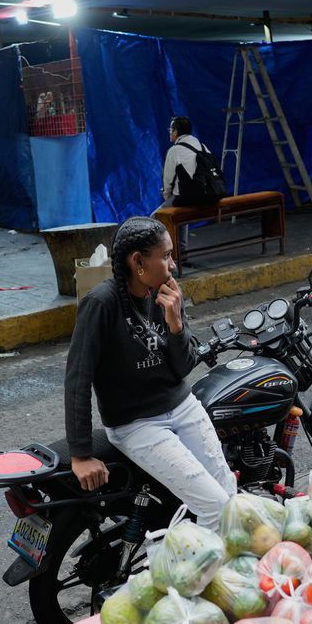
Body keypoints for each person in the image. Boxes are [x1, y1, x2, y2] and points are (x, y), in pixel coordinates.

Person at [64, 216, 237, 530]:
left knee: (230, 498)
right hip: (137, 424)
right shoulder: (101, 304)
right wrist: (81, 455)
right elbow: (77, 378)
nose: (173, 264)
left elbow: (183, 367)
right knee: (216, 506)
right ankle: (201, 579)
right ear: (138, 262)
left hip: (182, 407)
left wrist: (176, 325)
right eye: (166, 255)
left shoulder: (166, 293)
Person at [153, 116, 202, 262]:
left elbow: (168, 181)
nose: (170, 132)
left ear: (176, 132)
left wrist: (167, 197)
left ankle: (161, 258)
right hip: (206, 195)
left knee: (155, 218)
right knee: (181, 213)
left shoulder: (175, 150)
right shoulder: (199, 145)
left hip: (187, 197)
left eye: (171, 129)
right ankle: (182, 251)